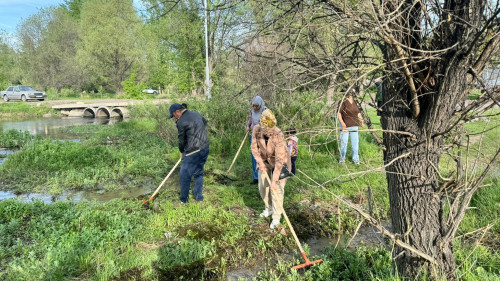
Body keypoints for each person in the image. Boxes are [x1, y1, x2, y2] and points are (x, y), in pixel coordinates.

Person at [251, 109, 292, 229]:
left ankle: (276, 217)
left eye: (271, 129)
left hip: (280, 163)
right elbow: (254, 148)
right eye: (267, 130)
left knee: (277, 189)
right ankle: (268, 208)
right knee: (263, 186)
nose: (270, 132)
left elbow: (279, 160)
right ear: (262, 126)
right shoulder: (257, 130)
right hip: (264, 161)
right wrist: (260, 162)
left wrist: (274, 180)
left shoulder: (278, 134)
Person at [169, 103, 210, 204]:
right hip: (204, 148)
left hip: (192, 151)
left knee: (184, 175)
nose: (174, 118)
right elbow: (204, 122)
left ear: (177, 112)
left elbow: (181, 140)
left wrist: (182, 151)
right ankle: (198, 197)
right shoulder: (196, 113)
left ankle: (183, 200)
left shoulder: (181, 122)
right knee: (198, 173)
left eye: (173, 116)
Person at [337, 89, 365, 165]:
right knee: (344, 142)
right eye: (353, 92)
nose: (355, 93)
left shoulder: (356, 102)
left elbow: (358, 113)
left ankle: (356, 160)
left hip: (354, 125)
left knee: (355, 143)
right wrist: (342, 124)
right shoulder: (342, 102)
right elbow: (339, 114)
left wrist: (362, 122)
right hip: (345, 125)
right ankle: (342, 160)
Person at [247, 96, 268, 184]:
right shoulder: (252, 111)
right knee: (254, 156)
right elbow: (251, 120)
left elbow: (268, 124)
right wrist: (248, 126)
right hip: (253, 136)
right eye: (253, 106)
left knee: (263, 157)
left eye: (256, 106)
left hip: (262, 137)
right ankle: (256, 177)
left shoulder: (265, 112)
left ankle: (264, 176)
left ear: (260, 105)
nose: (255, 108)